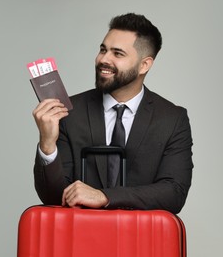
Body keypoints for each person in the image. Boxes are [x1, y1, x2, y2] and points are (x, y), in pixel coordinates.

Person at [32, 13, 193, 214]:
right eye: (103, 50)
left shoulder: (172, 119)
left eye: (117, 53)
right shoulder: (69, 111)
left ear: (144, 65)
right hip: (80, 238)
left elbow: (174, 193)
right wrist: (47, 145)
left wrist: (105, 196)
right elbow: (52, 197)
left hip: (140, 240)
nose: (103, 59)